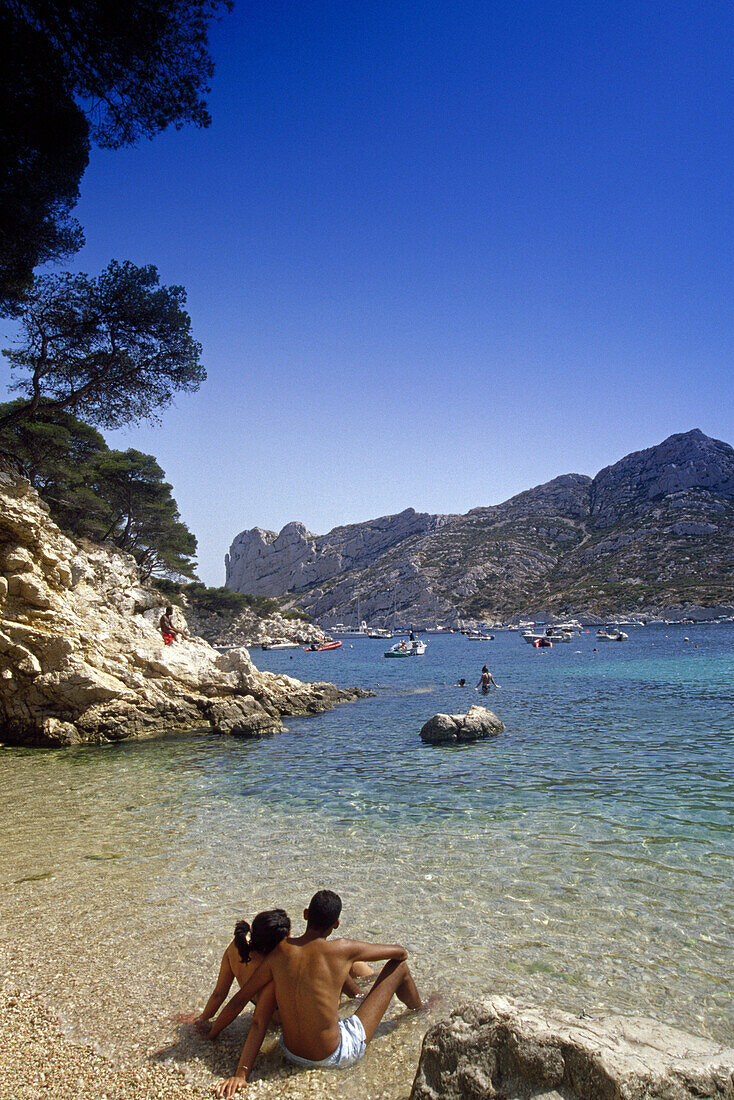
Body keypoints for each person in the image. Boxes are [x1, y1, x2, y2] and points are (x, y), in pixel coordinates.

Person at [209, 889, 425, 1097]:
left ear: (305, 914)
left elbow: (243, 1005)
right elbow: (400, 953)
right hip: (334, 1055)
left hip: (291, 1053)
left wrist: (239, 1072)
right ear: (336, 924)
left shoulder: (279, 953)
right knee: (400, 969)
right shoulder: (343, 948)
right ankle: (420, 1011)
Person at [177, 909, 290, 1034]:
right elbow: (238, 1005)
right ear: (273, 947)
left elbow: (219, 994)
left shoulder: (236, 949)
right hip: (283, 1023)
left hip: (263, 1016)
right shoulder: (274, 967)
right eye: (288, 939)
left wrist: (202, 1019)